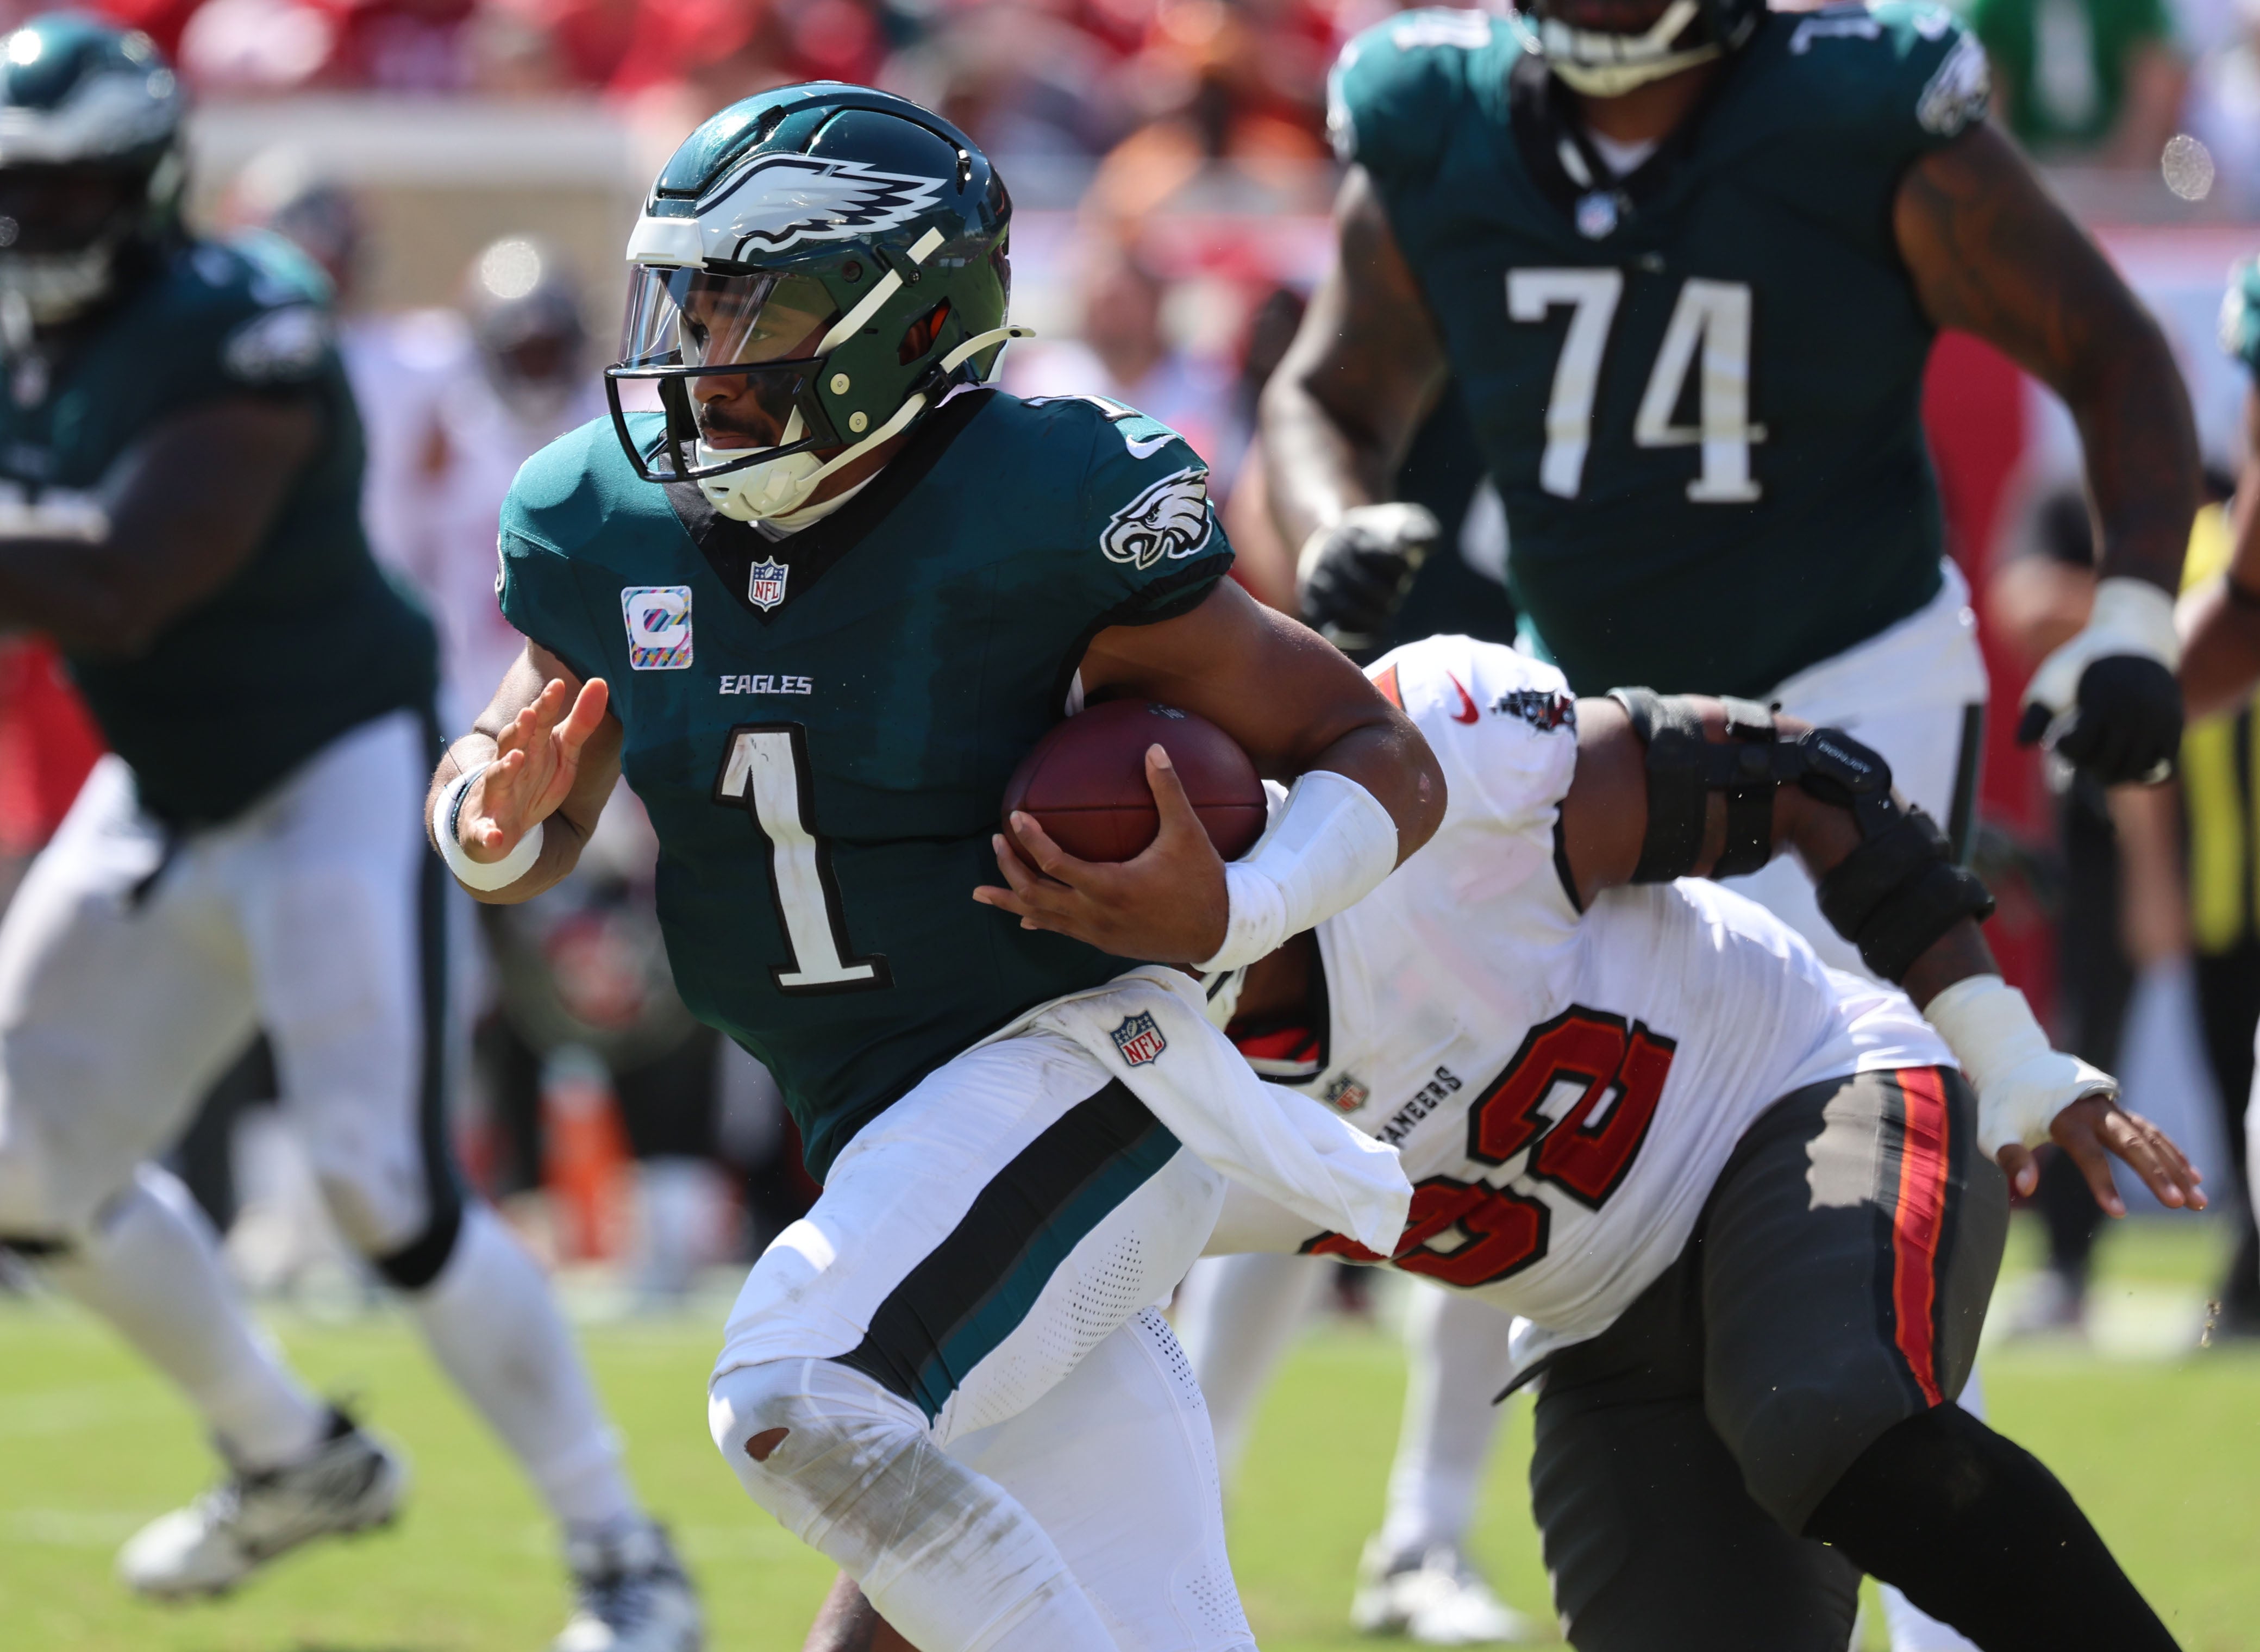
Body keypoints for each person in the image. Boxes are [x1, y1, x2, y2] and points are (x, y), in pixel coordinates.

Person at [430, 82, 1443, 1652]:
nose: (703, 351)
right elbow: (511, 792)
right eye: (691, 300)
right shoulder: (602, 517)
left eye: (751, 304)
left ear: (906, 323)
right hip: (885, 1129)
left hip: (1094, 1075)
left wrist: (1237, 906)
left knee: (793, 1395)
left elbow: (1382, 752)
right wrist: (488, 832)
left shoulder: (1039, 503)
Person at [812, 631, 2205, 1652]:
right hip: (1608, 1325)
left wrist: (2008, 1048)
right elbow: (980, 1430)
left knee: (1828, 1415)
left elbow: (1809, 776)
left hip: (1806, 1095)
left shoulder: (1440, 775)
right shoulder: (1126, 1089)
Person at [0, 20, 699, 1649]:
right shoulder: (34, 331)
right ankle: (287, 1456)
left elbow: (125, 576)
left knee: (386, 1189)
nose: (33, 223)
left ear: (150, 178)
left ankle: (624, 1554)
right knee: (24, 1165)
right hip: (170, 786)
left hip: (339, 771)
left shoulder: (244, 326)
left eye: (66, 187)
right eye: (13, 190)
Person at [1268, 0, 2197, 973]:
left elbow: (2113, 351)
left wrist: (2136, 616)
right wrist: (1332, 523)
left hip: (1850, 683)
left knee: (1852, 1087)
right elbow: (1330, 394)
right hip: (1584, 706)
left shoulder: (1849, 112)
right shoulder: (1443, 114)